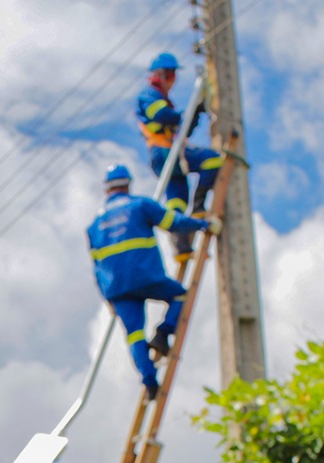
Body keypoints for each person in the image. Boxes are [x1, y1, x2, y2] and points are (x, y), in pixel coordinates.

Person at [88, 164, 217, 400]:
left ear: (106, 190)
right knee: (180, 295)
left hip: (116, 288)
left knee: (134, 335)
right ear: (127, 185)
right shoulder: (140, 206)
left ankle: (150, 383)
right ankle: (163, 332)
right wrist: (203, 224)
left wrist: (108, 299)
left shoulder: (94, 226)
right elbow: (174, 223)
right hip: (145, 276)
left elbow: (96, 269)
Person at [134, 52, 224, 270]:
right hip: (165, 152)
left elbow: (182, 129)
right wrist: (185, 114)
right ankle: (200, 207)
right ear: (162, 75)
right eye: (172, 75)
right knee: (212, 160)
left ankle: (182, 247)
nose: (173, 80)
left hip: (169, 154)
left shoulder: (163, 99)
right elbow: (161, 115)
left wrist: (194, 113)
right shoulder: (149, 94)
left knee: (177, 203)